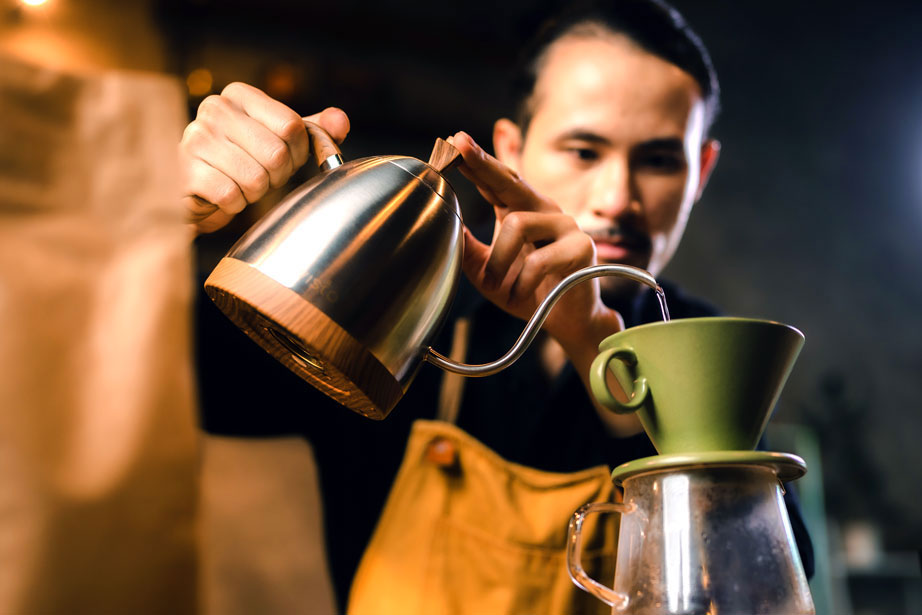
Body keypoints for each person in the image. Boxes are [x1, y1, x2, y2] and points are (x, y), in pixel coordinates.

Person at [183, 0, 813, 610]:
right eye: (584, 150)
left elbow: (758, 585)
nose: (618, 197)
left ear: (699, 172)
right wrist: (167, 216)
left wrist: (596, 340)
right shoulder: (394, 308)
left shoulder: (710, 349)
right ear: (509, 149)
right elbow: (166, 388)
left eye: (658, 160)